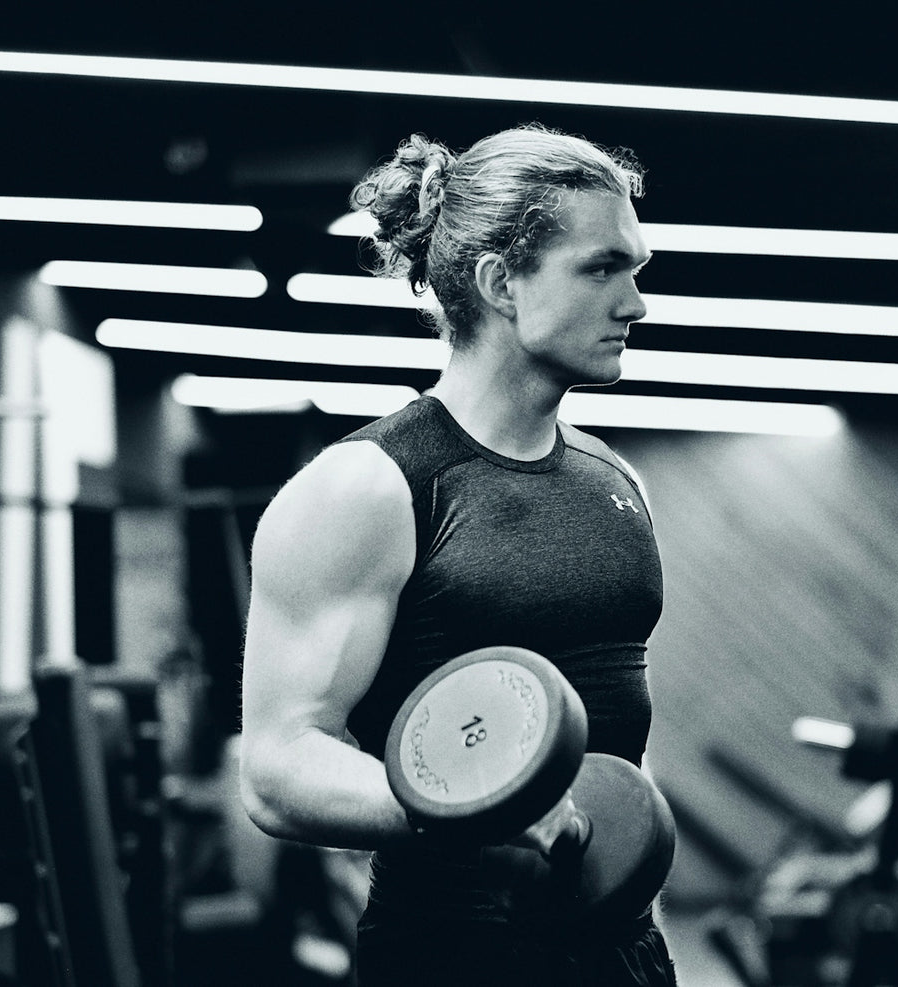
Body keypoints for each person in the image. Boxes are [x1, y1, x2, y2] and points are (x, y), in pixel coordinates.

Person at [239, 123, 677, 985]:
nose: (637, 302)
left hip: (620, 955)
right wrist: (479, 807)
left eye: (638, 268)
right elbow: (279, 763)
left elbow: (620, 743)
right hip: (451, 955)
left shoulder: (616, 481)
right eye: (601, 268)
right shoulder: (370, 488)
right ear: (499, 282)